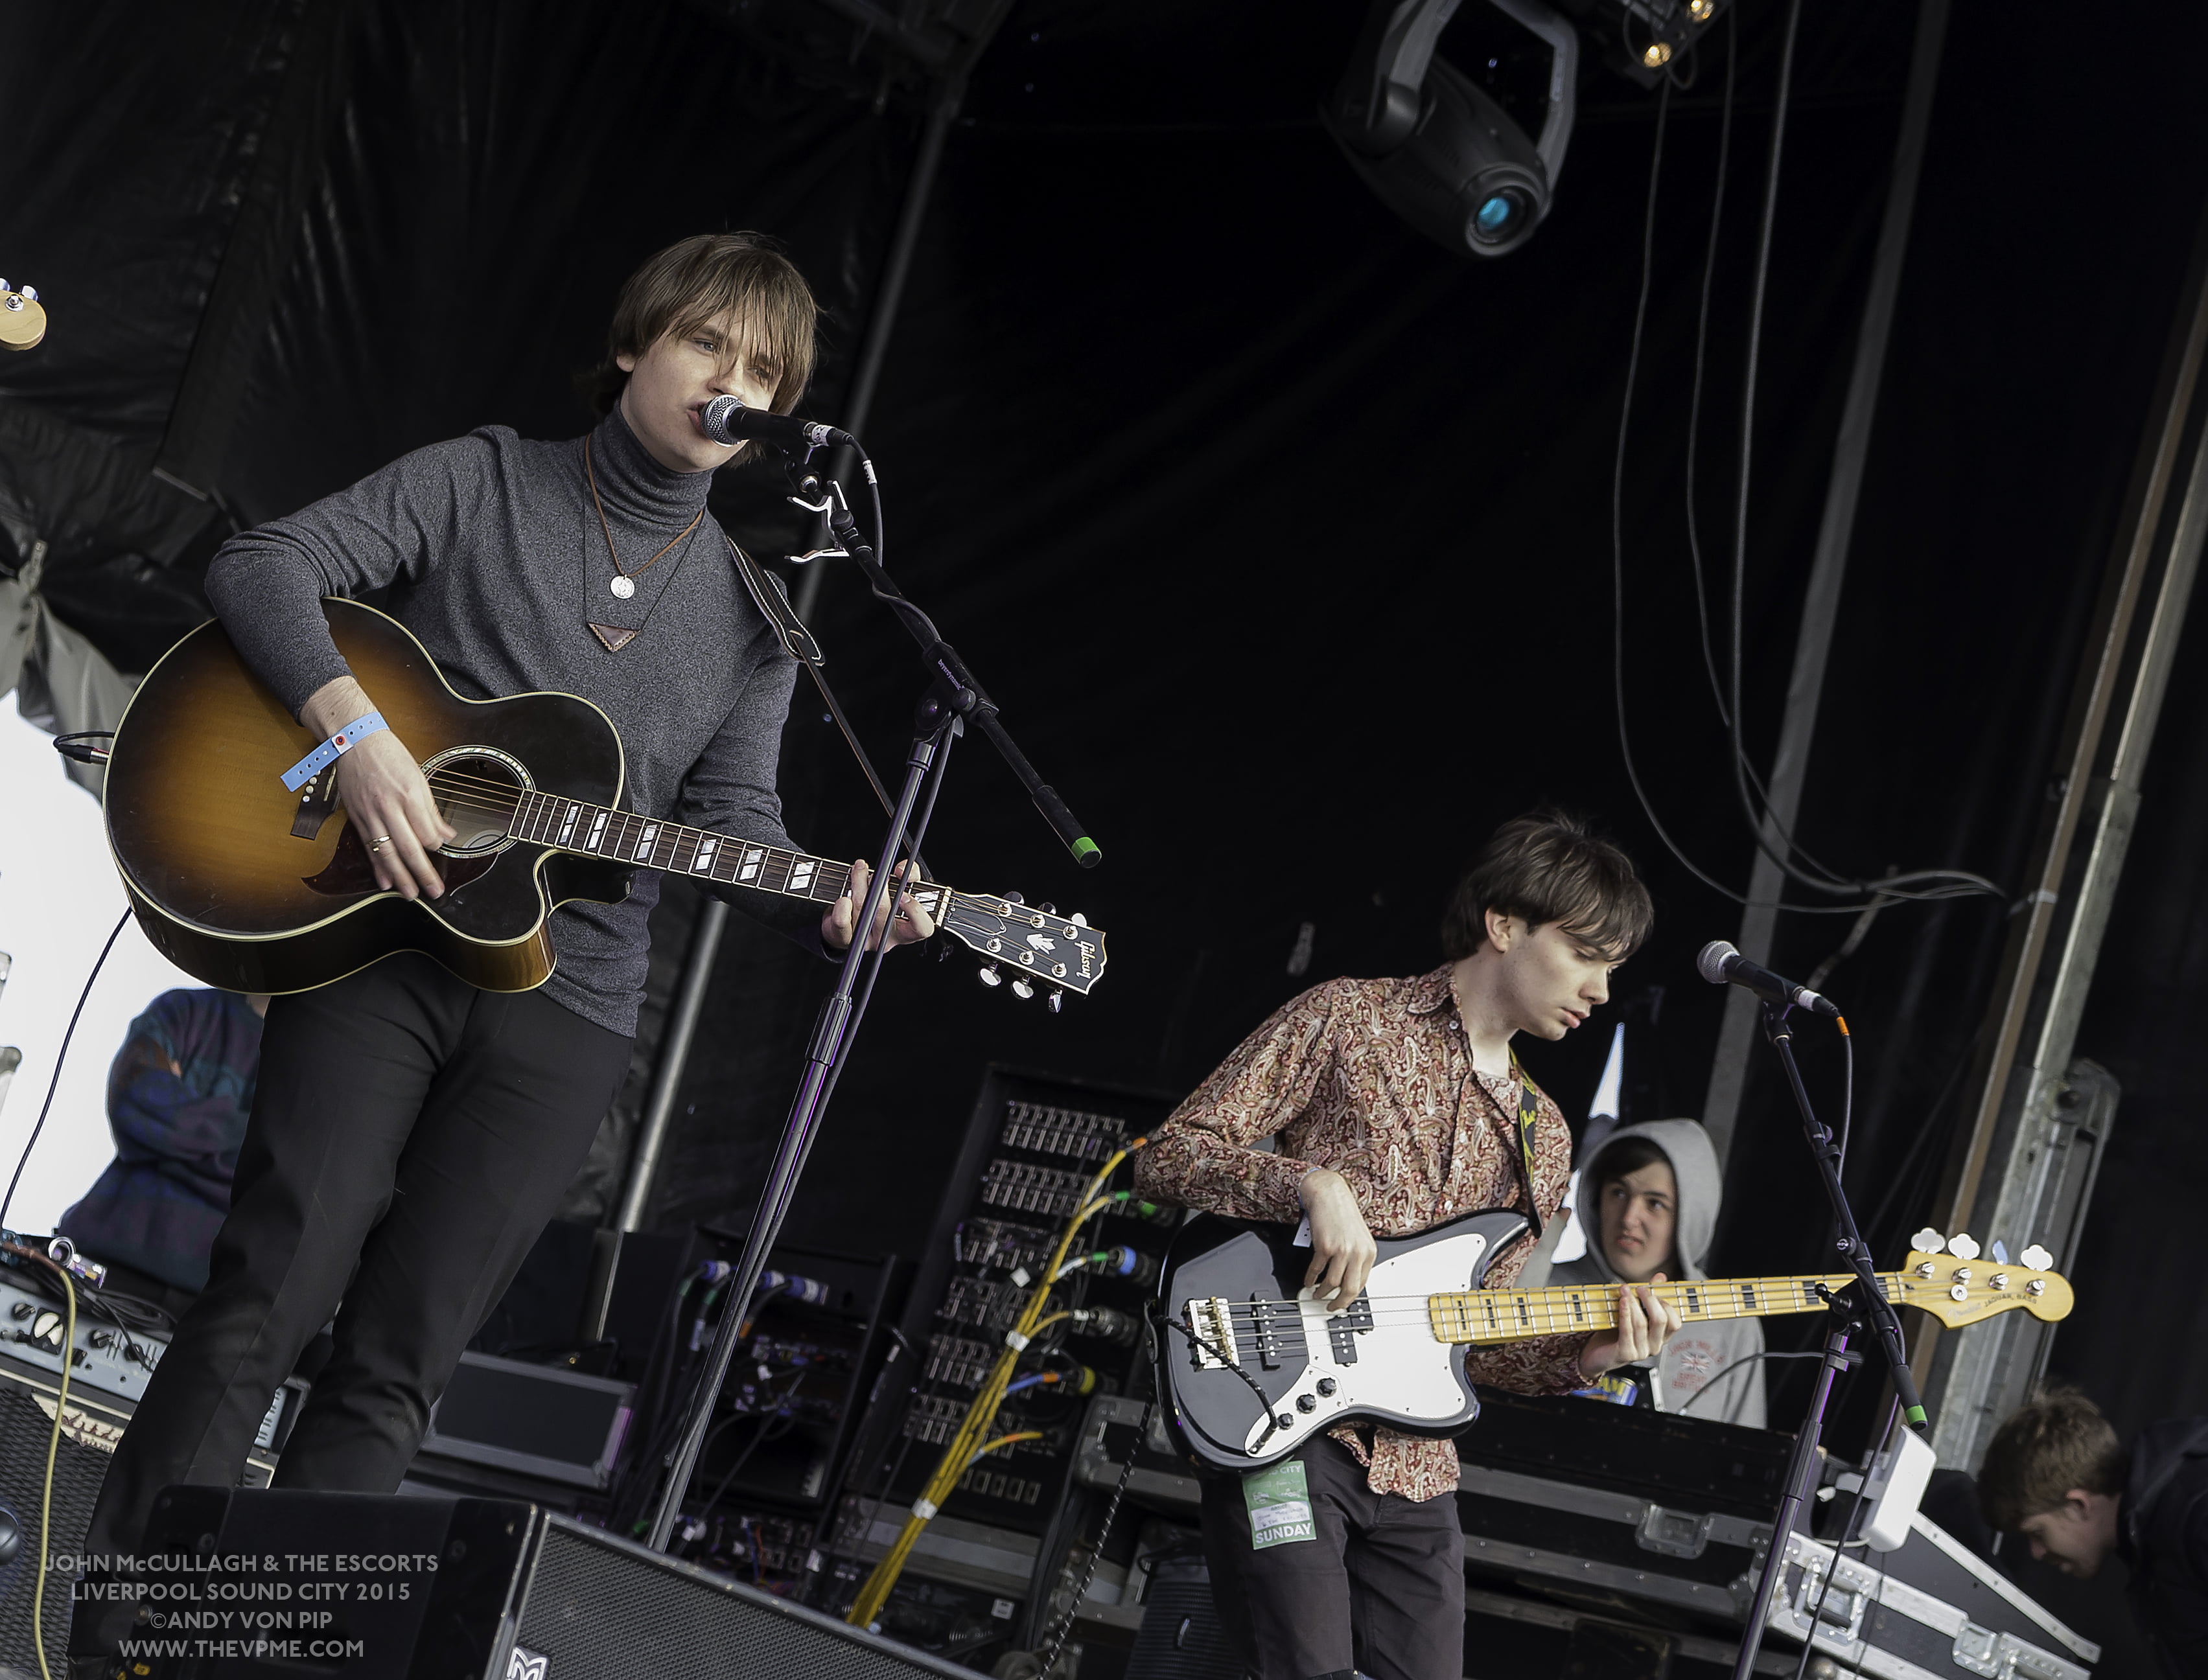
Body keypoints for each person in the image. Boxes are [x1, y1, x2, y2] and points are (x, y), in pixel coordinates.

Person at [70, 233, 933, 1672]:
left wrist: (834, 898)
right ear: (633, 346)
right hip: (372, 944)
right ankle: (115, 1647)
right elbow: (265, 563)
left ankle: (247, 1660)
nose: (733, 385)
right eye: (707, 348)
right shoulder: (481, 479)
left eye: (764, 372)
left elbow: (732, 825)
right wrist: (357, 741)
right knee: (267, 1294)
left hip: (567, 1010)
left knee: (398, 1369)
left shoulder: (758, 616)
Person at [1133, 810, 1684, 1680]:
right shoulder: (1348, 1018)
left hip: (1417, 1471)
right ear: (1504, 925)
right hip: (1277, 1424)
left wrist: (1589, 1354)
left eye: (1610, 970)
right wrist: (1308, 1185)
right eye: (1584, 956)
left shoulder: (1543, 1136)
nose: (1599, 992)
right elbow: (1165, 1158)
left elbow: (1475, 1340)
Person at [1544, 1120, 1767, 1426]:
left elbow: (1744, 1451)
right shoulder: (1539, 1291)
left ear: (1691, 1217)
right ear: (1596, 1198)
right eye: (1619, 1193)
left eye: (1655, 1203)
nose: (1630, 1218)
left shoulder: (1730, 1319)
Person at [56, 988, 268, 1309]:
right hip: (102, 1258)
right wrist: (248, 1133)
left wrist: (176, 1129)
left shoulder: (323, 1062)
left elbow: (284, 1171)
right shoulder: (182, 1009)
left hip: (213, 1297)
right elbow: (133, 1101)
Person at [1980, 1387, 2208, 1678]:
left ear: (2078, 1505)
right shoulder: (2152, 1534)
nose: (2036, 1552)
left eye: (2037, 1532)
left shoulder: (2196, 1512)